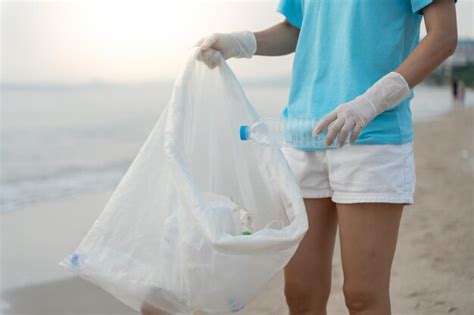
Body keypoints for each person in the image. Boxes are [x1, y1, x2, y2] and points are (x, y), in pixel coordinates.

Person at [195, 1, 457, 315]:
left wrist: (372, 101)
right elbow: (296, 30)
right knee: (300, 293)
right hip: (301, 139)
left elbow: (443, 36)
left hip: (370, 139)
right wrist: (241, 42)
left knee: (362, 297)